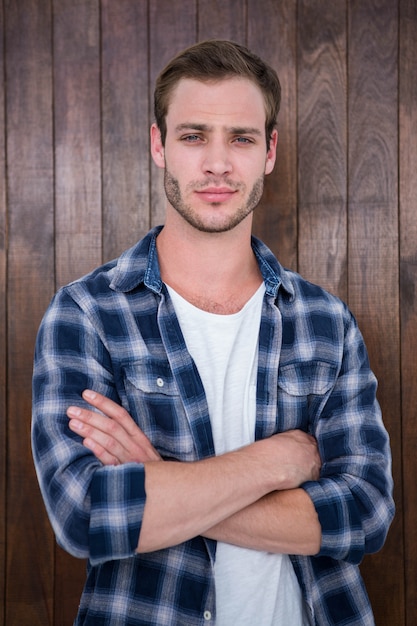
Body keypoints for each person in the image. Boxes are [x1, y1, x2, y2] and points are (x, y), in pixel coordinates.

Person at [32, 40, 394, 626]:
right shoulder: (87, 314)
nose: (218, 164)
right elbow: (87, 516)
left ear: (270, 151)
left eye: (242, 138)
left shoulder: (326, 322)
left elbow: (366, 513)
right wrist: (276, 463)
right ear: (159, 145)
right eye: (194, 136)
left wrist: (159, 480)